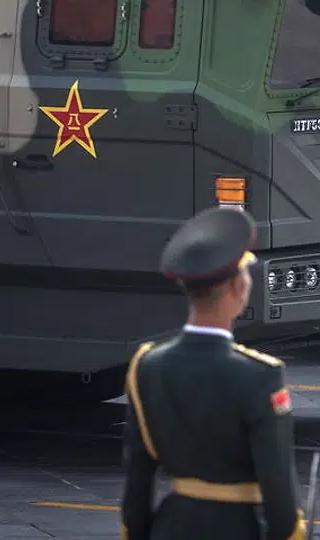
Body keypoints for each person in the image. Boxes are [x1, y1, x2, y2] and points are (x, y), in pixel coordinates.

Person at [120, 205, 308, 540]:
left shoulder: (147, 366)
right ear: (238, 286)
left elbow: (137, 483)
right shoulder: (260, 375)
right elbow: (278, 488)